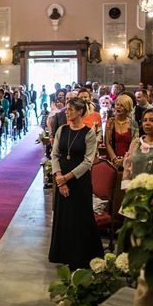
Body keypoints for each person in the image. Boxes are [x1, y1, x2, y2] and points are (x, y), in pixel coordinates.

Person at [48, 98, 104, 269]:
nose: (67, 112)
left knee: (80, 218)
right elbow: (55, 154)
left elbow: (88, 161)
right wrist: (59, 177)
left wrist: (67, 177)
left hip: (79, 181)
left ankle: (82, 255)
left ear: (80, 112)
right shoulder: (61, 130)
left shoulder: (88, 133)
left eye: (70, 110)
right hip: (61, 179)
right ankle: (63, 253)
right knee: (64, 218)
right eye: (67, 110)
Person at [104, 94, 137, 169]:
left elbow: (134, 145)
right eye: (117, 104)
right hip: (112, 161)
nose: (118, 107)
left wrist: (124, 160)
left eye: (121, 105)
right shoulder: (110, 122)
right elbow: (107, 143)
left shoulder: (133, 124)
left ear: (127, 108)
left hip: (129, 161)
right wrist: (115, 159)